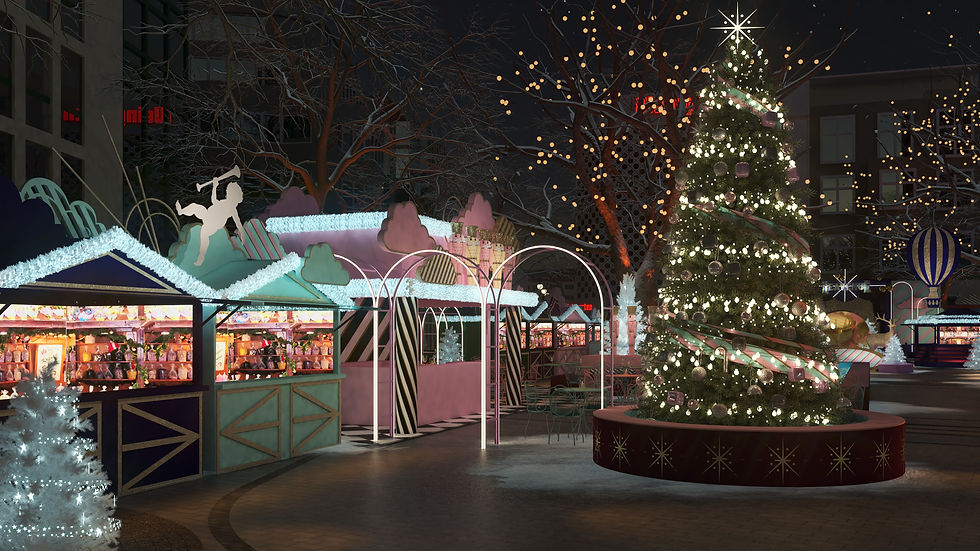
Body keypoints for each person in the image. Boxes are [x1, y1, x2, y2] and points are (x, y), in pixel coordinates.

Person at [175, 167, 245, 266]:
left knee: (204, 235)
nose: (227, 195)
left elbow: (238, 222)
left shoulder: (232, 209)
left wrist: (242, 234)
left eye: (229, 194)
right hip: (208, 215)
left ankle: (201, 257)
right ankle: (181, 211)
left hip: (214, 224)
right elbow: (214, 200)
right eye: (228, 193)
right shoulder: (224, 202)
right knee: (196, 207)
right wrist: (215, 187)